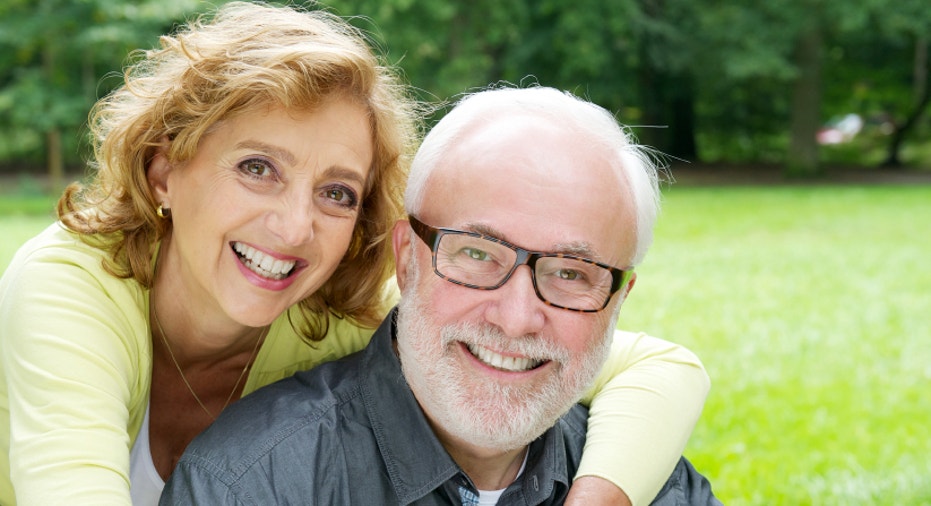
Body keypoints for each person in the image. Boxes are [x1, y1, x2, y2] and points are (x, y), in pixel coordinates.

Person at [0, 3, 707, 505]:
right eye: (257, 167)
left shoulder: (326, 316)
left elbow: (655, 366)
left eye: (336, 193)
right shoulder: (71, 285)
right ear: (165, 170)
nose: (293, 225)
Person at [160, 86, 720, 505]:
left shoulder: (660, 486)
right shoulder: (256, 484)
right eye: (477, 254)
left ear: (618, 301)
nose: (517, 319)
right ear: (406, 260)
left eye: (571, 273)